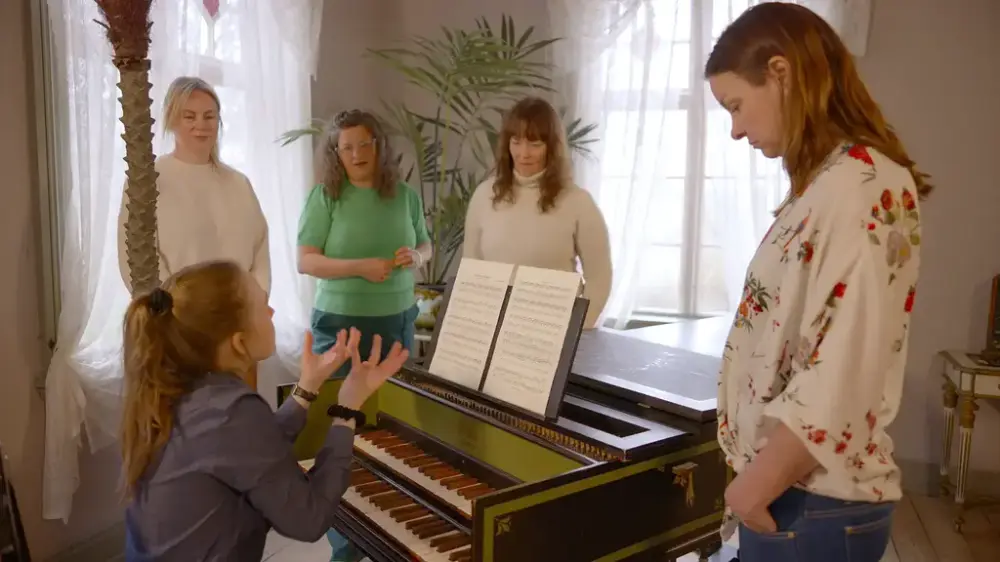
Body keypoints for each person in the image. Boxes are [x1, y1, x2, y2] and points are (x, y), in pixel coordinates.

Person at [705, 4, 931, 562]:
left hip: (809, 501)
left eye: (736, 105)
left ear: (780, 73)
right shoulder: (828, 182)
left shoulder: (862, 184)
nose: (735, 130)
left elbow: (844, 366)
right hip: (793, 494)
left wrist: (754, 488)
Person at [121, 260, 409, 561]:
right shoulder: (230, 409)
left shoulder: (184, 389)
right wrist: (348, 408)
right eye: (262, 305)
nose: (271, 312)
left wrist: (308, 384)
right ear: (239, 342)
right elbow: (309, 519)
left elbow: (252, 450)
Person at [296, 109, 430, 561]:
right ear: (336, 153)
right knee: (338, 428)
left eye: (364, 144)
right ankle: (344, 541)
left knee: (389, 434)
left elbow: (426, 244)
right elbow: (306, 261)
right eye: (346, 147)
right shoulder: (325, 197)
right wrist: (359, 268)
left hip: (396, 323)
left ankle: (386, 530)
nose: (356, 154)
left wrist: (417, 256)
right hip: (340, 325)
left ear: (379, 146)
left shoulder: (405, 196)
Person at [117, 76, 270, 391]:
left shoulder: (239, 184)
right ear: (173, 120)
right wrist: (180, 319)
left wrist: (249, 309)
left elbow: (260, 251)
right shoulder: (149, 182)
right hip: (179, 337)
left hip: (239, 335)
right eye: (190, 116)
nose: (201, 125)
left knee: (242, 415)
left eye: (209, 116)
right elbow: (135, 257)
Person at [462, 96, 612, 329]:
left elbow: (600, 277)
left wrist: (578, 329)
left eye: (535, 144)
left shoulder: (578, 202)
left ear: (551, 147)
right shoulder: (483, 196)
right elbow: (471, 272)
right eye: (516, 142)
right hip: (493, 328)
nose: (524, 154)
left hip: (553, 331)